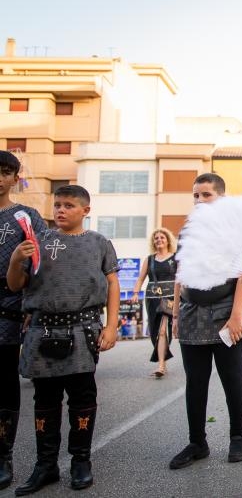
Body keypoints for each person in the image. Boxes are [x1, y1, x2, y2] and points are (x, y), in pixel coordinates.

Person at [8, 185, 119, 494]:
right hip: (41, 330)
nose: (60, 210)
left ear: (85, 210)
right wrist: (17, 257)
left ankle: (81, 461)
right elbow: (16, 285)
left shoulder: (99, 243)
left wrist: (111, 327)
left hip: (82, 330)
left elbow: (112, 283)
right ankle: (45, 465)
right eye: (57, 204)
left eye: (69, 205)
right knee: (44, 401)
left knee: (82, 398)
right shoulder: (36, 241)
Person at [169, 173, 242, 470]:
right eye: (195, 195)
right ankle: (197, 442)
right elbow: (181, 271)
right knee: (195, 381)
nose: (200, 200)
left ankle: (238, 436)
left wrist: (236, 316)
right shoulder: (188, 230)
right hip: (192, 311)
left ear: (221, 196)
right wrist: (176, 313)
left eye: (206, 195)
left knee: (231, 376)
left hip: (225, 310)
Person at [0, 151, 47, 490]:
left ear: (16, 177)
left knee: (3, 387)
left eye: (6, 172)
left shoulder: (26, 216)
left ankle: (3, 457)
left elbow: (43, 266)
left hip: (8, 310)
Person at [131, 228, 178, 378]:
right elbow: (141, 278)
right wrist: (135, 293)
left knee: (163, 330)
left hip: (170, 298)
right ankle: (162, 359)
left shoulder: (176, 258)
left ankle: (161, 365)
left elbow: (181, 279)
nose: (159, 240)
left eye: (162, 237)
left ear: (168, 240)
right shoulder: (149, 259)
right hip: (152, 298)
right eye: (156, 238)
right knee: (155, 330)